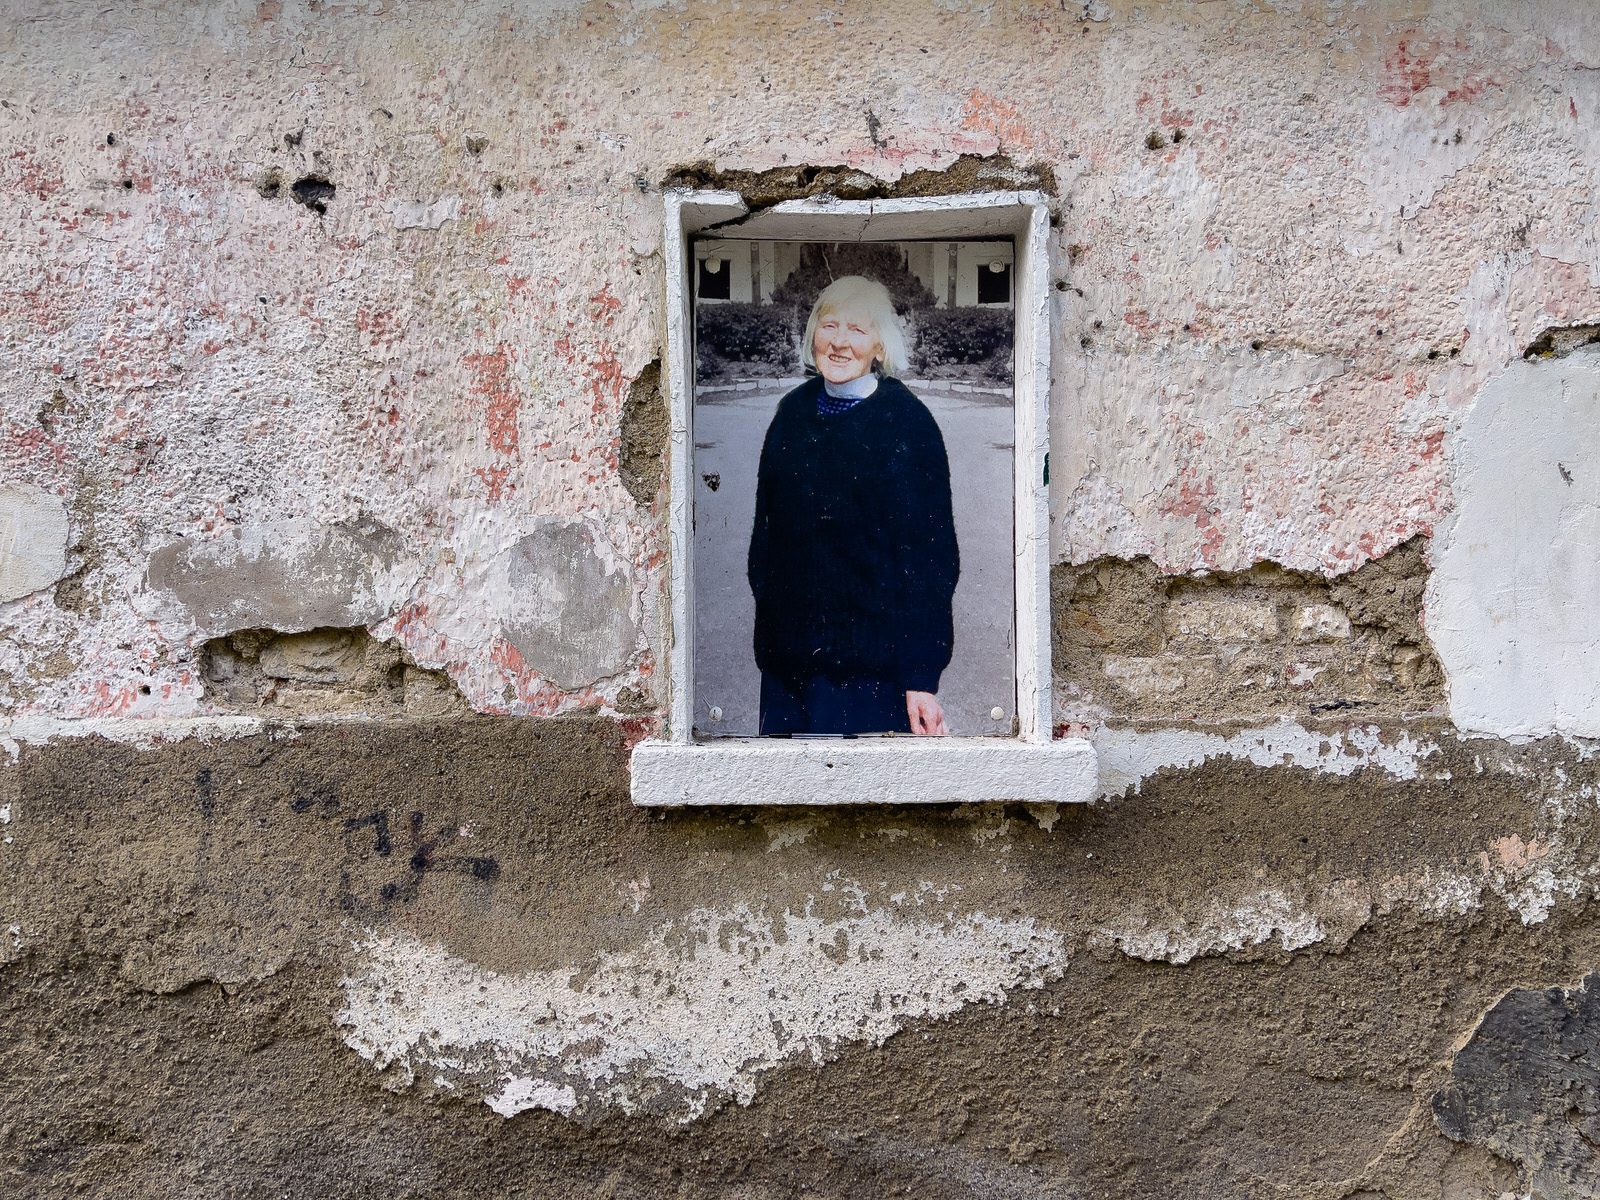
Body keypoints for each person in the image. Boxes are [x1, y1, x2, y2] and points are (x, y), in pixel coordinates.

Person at [746, 275, 959, 736]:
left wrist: (920, 678)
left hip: (870, 676)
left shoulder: (907, 425)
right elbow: (766, 536)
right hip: (789, 669)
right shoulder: (792, 413)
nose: (840, 343)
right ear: (814, 335)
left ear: (880, 347)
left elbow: (929, 562)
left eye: (858, 331)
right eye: (830, 326)